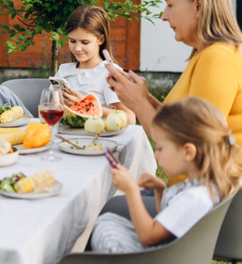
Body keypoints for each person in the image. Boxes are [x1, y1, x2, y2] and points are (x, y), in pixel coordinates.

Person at [106, 0, 242, 185]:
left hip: (196, 206)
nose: (163, 15)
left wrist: (138, 104)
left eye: (170, 4)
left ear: (198, 5)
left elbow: (188, 148)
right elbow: (179, 123)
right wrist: (142, 96)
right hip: (183, 195)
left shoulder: (218, 58)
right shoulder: (204, 53)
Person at [91, 97, 241, 253]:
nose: (156, 155)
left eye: (161, 148)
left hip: (158, 256)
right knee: (107, 221)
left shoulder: (196, 197)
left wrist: (131, 191)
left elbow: (149, 236)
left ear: (188, 152)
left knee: (104, 228)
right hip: (167, 250)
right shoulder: (204, 184)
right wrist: (160, 189)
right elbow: (169, 219)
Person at [0, 5, 136, 124]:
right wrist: (57, 105)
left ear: (100, 39)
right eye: (72, 41)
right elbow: (49, 110)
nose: (77, 48)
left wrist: (87, 106)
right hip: (55, 127)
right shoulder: (64, 70)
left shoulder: (109, 72)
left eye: (84, 42)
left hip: (88, 133)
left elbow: (130, 118)